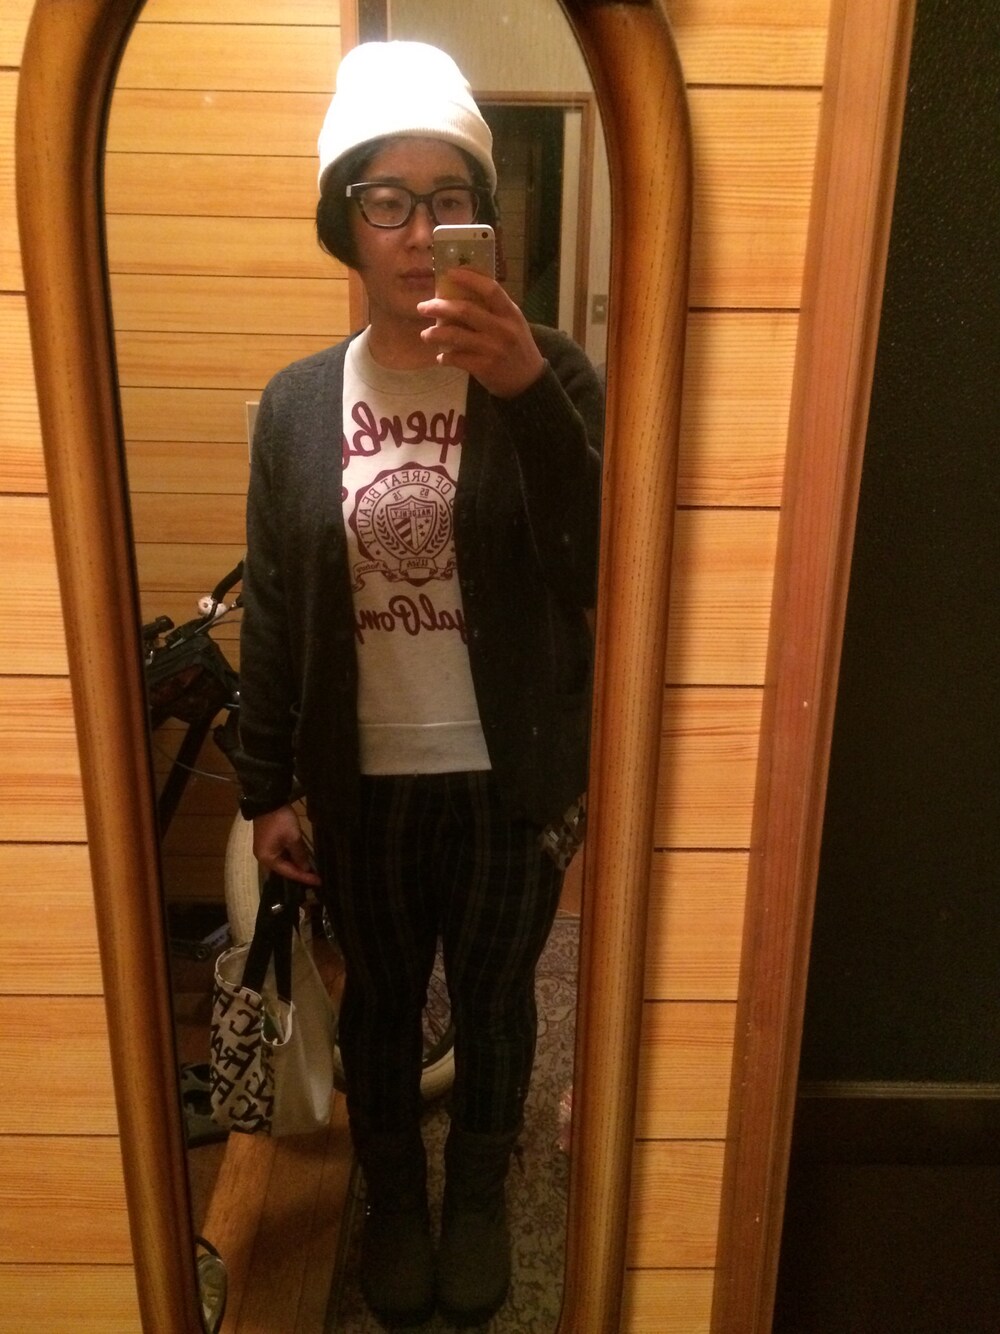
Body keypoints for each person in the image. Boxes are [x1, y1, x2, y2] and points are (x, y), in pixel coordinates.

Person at [233, 40, 603, 1329]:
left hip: (510, 778)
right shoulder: (295, 406)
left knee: (496, 1005)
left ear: (483, 220)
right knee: (384, 1007)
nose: (416, 229)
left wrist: (526, 394)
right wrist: (263, 789)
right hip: (366, 781)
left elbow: (599, 565)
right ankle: (395, 1199)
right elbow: (275, 602)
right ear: (345, 218)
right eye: (385, 198)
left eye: (449, 199)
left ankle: (480, 1197)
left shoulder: (551, 373)